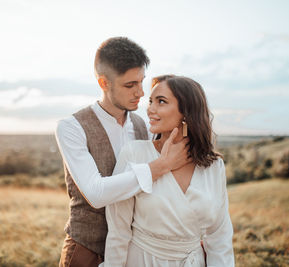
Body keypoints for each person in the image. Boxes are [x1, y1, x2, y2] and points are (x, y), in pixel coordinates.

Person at [55, 38, 190, 267]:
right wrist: (160, 166)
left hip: (134, 251)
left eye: (141, 82)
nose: (140, 92)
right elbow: (96, 194)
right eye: (130, 85)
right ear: (103, 83)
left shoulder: (145, 127)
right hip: (87, 250)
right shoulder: (71, 127)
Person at [104, 75, 235, 267]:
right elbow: (118, 231)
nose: (150, 109)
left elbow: (220, 237)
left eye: (161, 102)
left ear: (186, 112)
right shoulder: (135, 153)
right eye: (150, 101)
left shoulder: (213, 166)